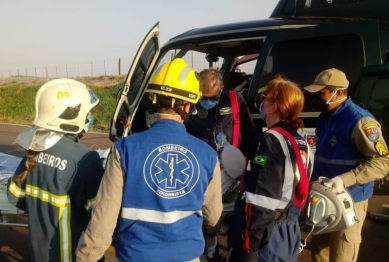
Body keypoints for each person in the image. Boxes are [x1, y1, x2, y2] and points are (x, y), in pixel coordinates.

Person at [76, 58, 223, 262]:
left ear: (154, 99)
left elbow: (104, 216)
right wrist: (211, 232)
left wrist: (87, 257)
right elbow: (213, 215)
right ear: (188, 106)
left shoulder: (124, 148)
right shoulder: (207, 154)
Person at [7, 78, 105, 262]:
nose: (90, 118)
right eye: (88, 113)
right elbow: (101, 215)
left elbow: (14, 196)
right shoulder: (86, 159)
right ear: (73, 115)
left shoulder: (34, 149)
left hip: (39, 254)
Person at [304, 68, 389, 262]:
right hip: (323, 198)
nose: (316, 98)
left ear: (339, 92)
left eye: (321, 93)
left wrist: (345, 179)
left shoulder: (360, 120)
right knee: (319, 254)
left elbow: (382, 162)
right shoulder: (325, 117)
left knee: (342, 255)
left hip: (350, 200)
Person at [228, 76, 310, 262]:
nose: (261, 102)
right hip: (288, 225)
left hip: (268, 232)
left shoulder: (269, 141)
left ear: (274, 106)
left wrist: (250, 246)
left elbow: (262, 200)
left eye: (265, 98)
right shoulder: (299, 140)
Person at [185, 69, 256, 261]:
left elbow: (249, 132)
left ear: (221, 88)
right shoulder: (190, 103)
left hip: (232, 172)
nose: (207, 102)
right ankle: (210, 255)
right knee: (208, 219)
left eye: (213, 97)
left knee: (236, 222)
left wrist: (244, 160)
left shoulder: (234, 100)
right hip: (202, 171)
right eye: (203, 97)